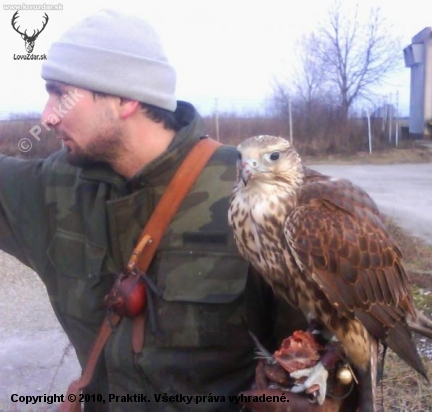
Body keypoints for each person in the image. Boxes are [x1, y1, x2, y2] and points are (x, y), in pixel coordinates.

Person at [0, 10, 307, 412]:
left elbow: (317, 360)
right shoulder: (51, 188)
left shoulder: (257, 193)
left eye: (61, 94)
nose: (47, 115)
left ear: (126, 98)